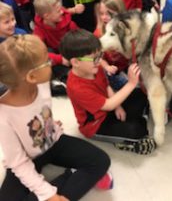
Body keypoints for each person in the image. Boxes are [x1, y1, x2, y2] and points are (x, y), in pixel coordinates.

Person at [0, 34, 112, 201]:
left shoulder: (42, 83)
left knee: (101, 160)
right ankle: (65, 182)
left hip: (53, 141)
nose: (52, 62)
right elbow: (18, 162)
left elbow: (40, 111)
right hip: (27, 158)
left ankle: (67, 178)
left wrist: (49, 124)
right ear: (31, 77)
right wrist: (49, 194)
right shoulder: (4, 114)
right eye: (47, 62)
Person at [60, 29, 156, 155]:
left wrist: (118, 106)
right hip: (96, 125)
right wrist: (131, 83)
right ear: (75, 62)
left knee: (140, 94)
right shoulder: (76, 87)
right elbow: (108, 104)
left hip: (108, 106)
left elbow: (106, 87)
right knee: (136, 131)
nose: (99, 61)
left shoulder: (96, 67)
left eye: (100, 56)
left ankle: (134, 122)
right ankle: (132, 129)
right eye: (94, 58)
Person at [33, 0, 79, 94]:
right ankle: (65, 78)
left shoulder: (70, 24)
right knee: (44, 53)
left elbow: (79, 42)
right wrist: (60, 59)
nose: (62, 12)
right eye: (58, 11)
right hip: (57, 59)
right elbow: (37, 51)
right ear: (47, 16)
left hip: (71, 54)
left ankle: (68, 79)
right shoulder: (39, 30)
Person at [94, 0, 129, 91]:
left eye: (109, 14)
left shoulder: (128, 31)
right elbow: (97, 58)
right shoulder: (99, 33)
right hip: (111, 70)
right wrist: (107, 67)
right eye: (101, 13)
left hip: (127, 66)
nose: (104, 17)